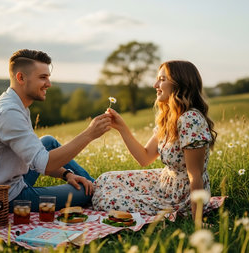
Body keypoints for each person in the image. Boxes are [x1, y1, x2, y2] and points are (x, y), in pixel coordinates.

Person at [0, 49, 111, 212]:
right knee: (87, 194)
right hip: (3, 197)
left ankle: (98, 186)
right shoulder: (8, 113)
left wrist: (67, 174)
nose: (49, 84)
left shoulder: (17, 105)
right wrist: (89, 134)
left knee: (48, 142)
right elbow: (44, 163)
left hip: (11, 179)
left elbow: (34, 158)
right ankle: (100, 190)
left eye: (48, 77)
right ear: (21, 78)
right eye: (43, 77)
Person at [92, 60, 217, 217]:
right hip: (165, 182)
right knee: (105, 180)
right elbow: (144, 158)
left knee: (106, 199)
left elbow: (195, 175)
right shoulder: (169, 117)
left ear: (180, 84)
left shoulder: (190, 119)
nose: (155, 84)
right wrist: (121, 128)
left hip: (181, 197)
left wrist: (197, 219)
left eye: (162, 79)